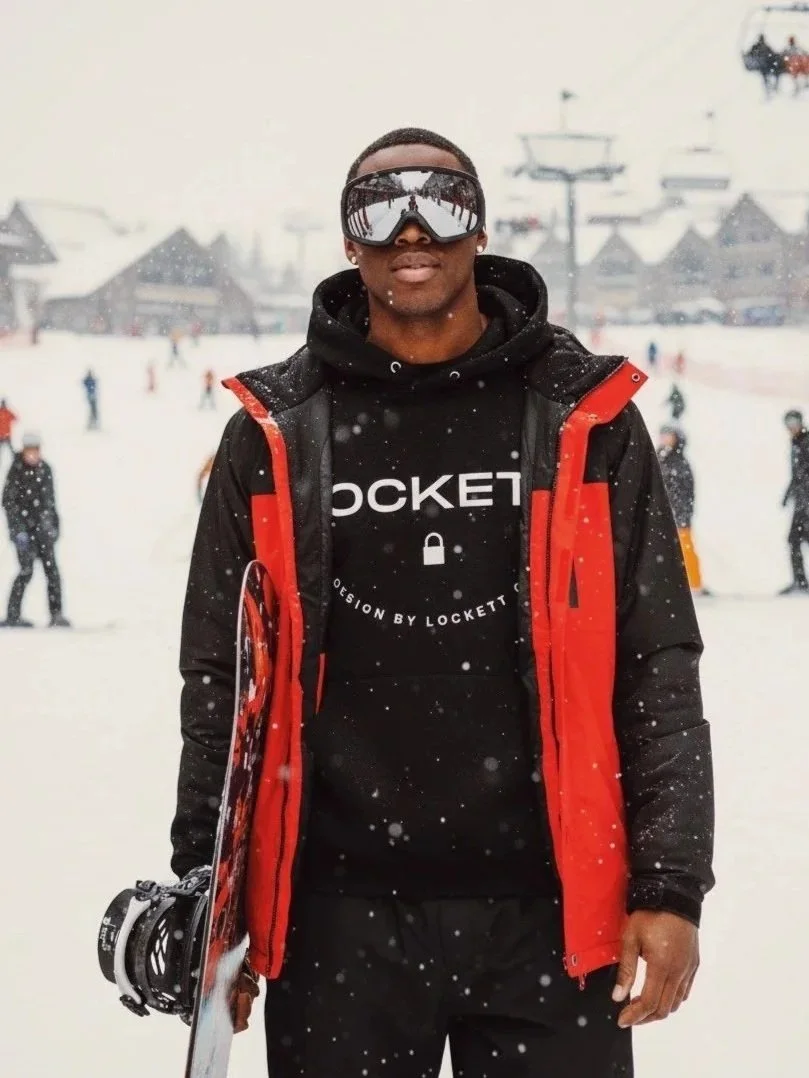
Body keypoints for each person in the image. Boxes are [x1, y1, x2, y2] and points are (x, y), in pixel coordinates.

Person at [171, 128, 714, 1078]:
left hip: (551, 914)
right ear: (348, 240)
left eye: (442, 201)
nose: (411, 228)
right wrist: (210, 895)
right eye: (378, 207)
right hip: (336, 919)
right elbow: (223, 681)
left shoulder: (587, 423)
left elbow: (656, 661)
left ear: (481, 227)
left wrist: (670, 888)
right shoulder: (276, 437)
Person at [2, 432, 70, 628]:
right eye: (29, 451)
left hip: (43, 530)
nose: (32, 455)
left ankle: (56, 614)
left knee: (52, 571)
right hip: (24, 531)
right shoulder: (16, 470)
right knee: (26, 571)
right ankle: (13, 616)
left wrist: (54, 526)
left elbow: (50, 502)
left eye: (35, 451)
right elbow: (8, 502)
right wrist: (18, 530)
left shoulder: (44, 469)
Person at [657, 426, 707, 595]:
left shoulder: (679, 462)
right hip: (662, 514)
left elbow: (686, 491)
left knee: (685, 548)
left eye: (668, 436)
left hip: (679, 514)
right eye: (662, 435)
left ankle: (695, 583)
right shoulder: (659, 459)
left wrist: (682, 512)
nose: (664, 439)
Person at [780, 408, 809, 594]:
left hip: (806, 503)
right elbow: (797, 475)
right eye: (788, 424)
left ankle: (801, 582)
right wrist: (788, 494)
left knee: (795, 539)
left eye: (794, 423)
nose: (791, 427)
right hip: (801, 501)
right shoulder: (797, 443)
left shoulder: (806, 442)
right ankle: (800, 582)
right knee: (795, 540)